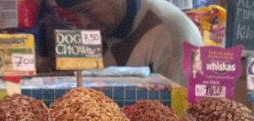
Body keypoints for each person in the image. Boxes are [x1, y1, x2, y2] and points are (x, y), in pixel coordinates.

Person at [54, 0, 203, 86]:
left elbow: (180, 110)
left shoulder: (171, 33)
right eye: (74, 14)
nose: (84, 23)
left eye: (87, 9)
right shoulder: (104, 24)